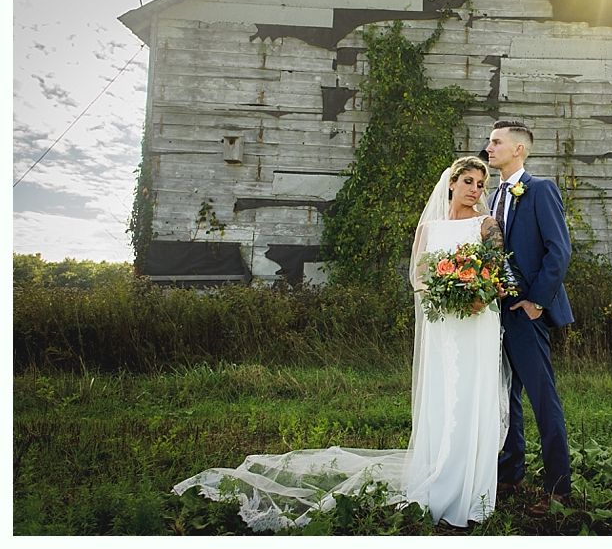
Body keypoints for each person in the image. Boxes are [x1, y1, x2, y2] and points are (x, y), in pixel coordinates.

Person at [172, 157, 511, 530]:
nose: (475, 189)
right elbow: (418, 275)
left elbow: (495, 271)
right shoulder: (429, 228)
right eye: (468, 180)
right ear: (451, 183)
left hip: (477, 318)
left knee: (470, 393)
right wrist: (443, 292)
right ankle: (440, 474)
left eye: (481, 183)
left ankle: (471, 488)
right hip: (443, 322)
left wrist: (476, 293)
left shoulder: (487, 225)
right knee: (445, 394)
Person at [485, 119, 573, 516]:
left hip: (528, 311)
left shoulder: (539, 190)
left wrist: (537, 301)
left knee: (542, 397)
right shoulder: (490, 198)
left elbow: (559, 251)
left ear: (518, 149)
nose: (489, 148)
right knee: (506, 395)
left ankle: (558, 487)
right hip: (495, 311)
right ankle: (510, 474)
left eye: (496, 142)